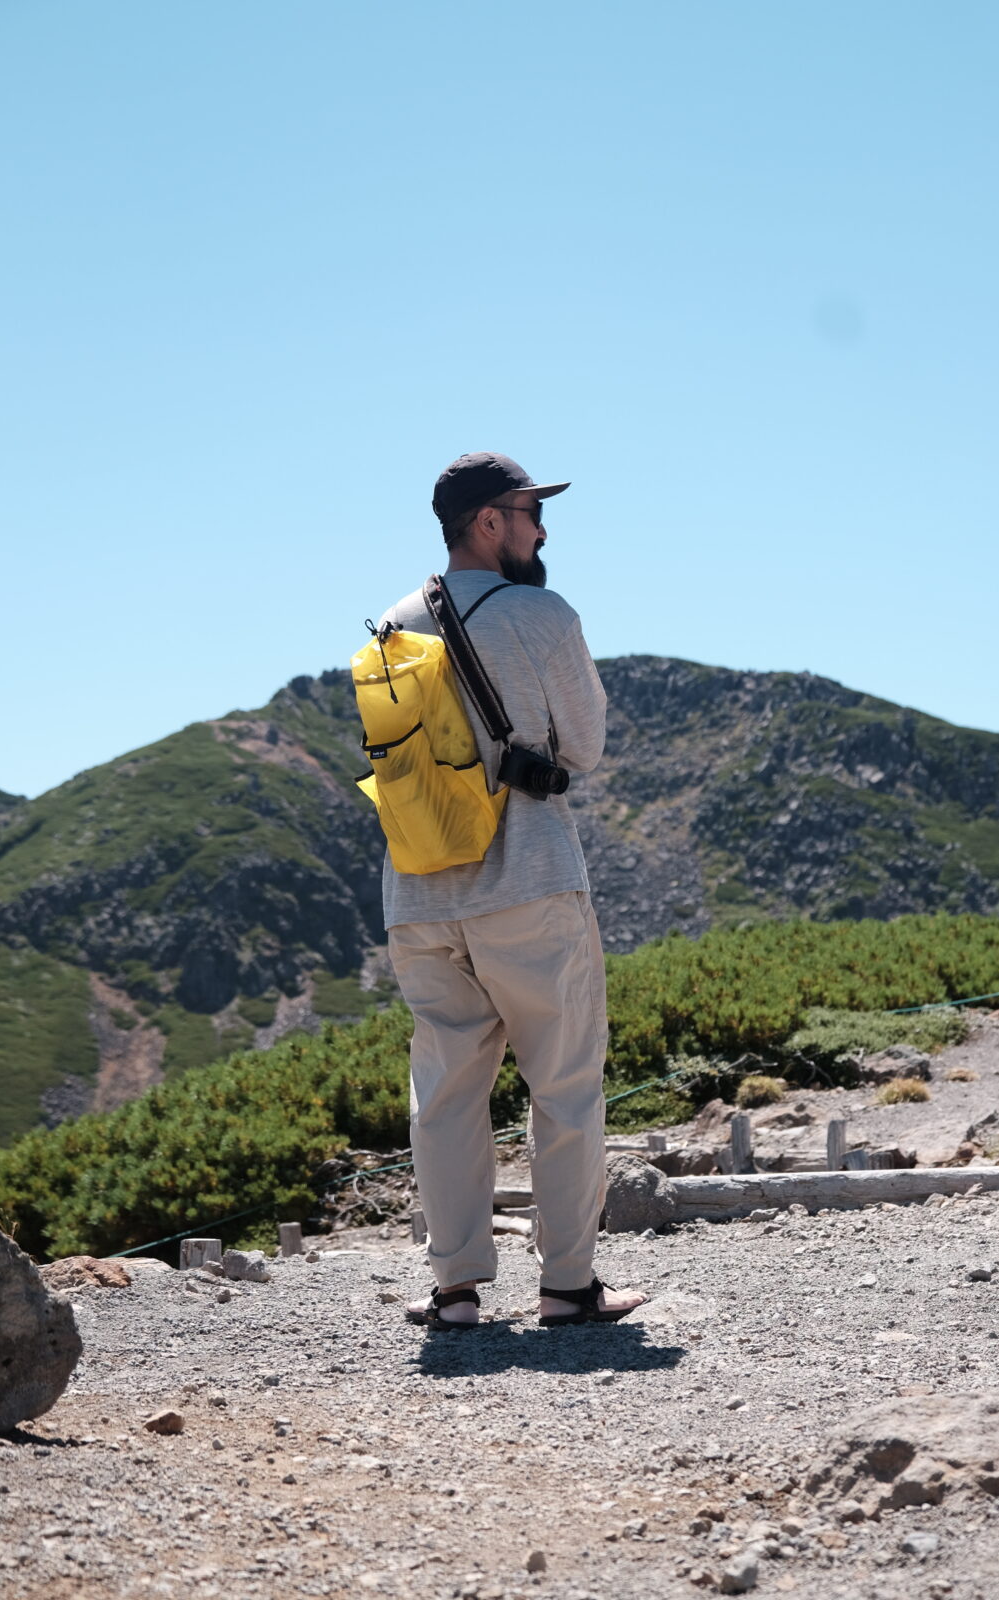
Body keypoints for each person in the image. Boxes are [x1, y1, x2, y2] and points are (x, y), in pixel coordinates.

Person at [376, 451, 646, 1330]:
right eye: (530, 512)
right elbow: (585, 746)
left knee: (445, 1095)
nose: (541, 530)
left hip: (419, 896)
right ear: (488, 521)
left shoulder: (389, 626)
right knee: (562, 1085)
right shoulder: (539, 614)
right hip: (526, 883)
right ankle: (567, 1286)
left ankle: (453, 1291)